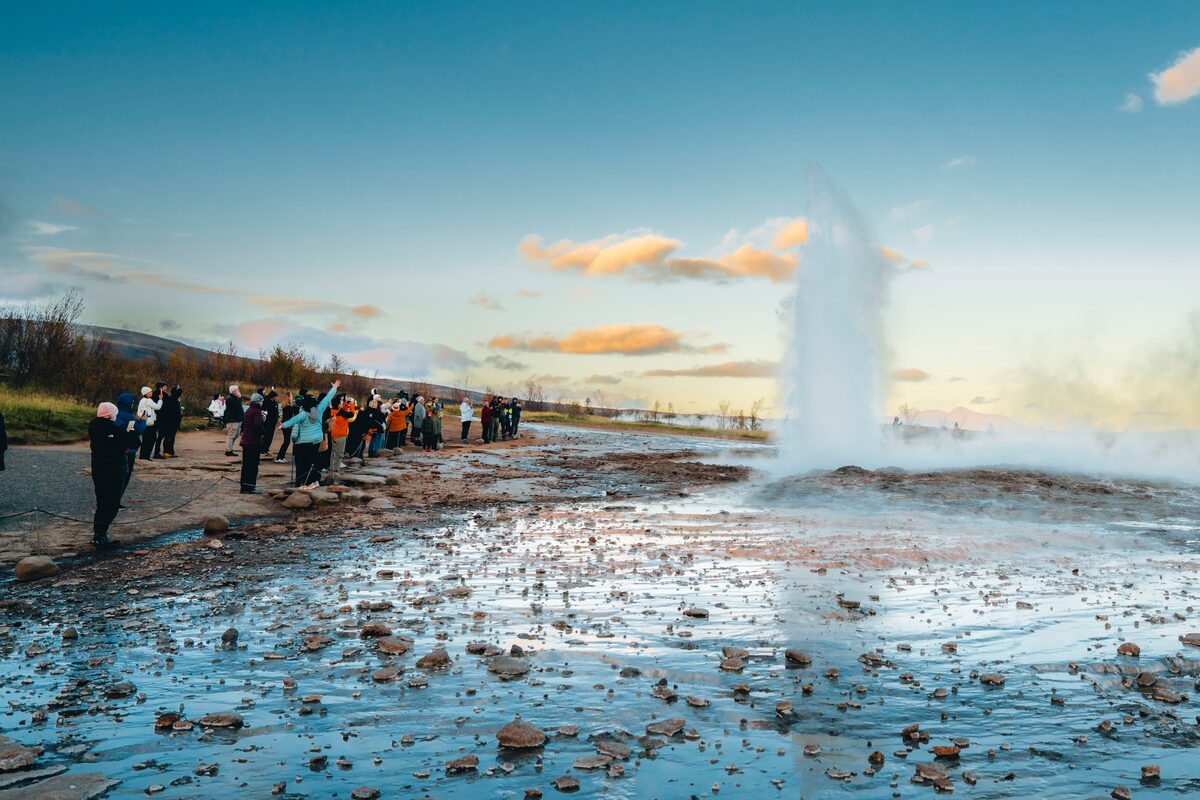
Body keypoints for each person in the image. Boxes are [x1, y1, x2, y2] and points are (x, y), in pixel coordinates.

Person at [89, 402, 140, 549]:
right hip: (115, 469)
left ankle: (99, 534)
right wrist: (131, 431)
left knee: (102, 502)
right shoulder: (113, 429)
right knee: (112, 503)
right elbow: (135, 442)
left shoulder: (94, 426)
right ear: (110, 414)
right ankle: (100, 536)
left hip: (98, 469)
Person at [282, 381, 340, 488]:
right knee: (312, 462)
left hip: (302, 441)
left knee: (302, 464)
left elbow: (294, 424)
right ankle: (313, 482)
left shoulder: (303, 413)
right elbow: (327, 399)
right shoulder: (319, 410)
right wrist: (334, 388)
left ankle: (303, 482)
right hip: (316, 440)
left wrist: (284, 426)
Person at [114, 392, 147, 498]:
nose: (133, 404)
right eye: (132, 402)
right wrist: (143, 421)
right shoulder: (128, 416)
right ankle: (116, 501)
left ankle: (111, 500)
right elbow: (139, 430)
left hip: (114, 449)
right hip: (128, 450)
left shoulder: (114, 413)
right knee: (124, 476)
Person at [239, 392, 266, 493]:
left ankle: (244, 487)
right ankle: (250, 487)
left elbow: (244, 425)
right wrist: (263, 432)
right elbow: (257, 425)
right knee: (253, 466)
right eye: (261, 401)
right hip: (253, 442)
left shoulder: (248, 410)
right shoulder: (257, 411)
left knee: (245, 466)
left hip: (246, 441)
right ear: (259, 402)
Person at [328, 394, 355, 482]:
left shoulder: (332, 411)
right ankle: (336, 470)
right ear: (339, 403)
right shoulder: (342, 413)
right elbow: (351, 414)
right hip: (341, 435)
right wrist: (351, 405)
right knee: (339, 453)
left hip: (332, 434)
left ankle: (332, 468)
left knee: (333, 452)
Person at [137, 385, 162, 460]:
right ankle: (146, 456)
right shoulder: (148, 400)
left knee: (145, 440)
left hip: (144, 422)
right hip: (150, 424)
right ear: (146, 393)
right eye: (150, 391)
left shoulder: (142, 400)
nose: (152, 393)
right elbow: (158, 407)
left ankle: (142, 455)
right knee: (151, 439)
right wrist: (160, 399)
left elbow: (143, 412)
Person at [157, 385, 183, 458]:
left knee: (171, 438)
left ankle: (170, 452)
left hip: (171, 423)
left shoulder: (171, 399)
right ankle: (167, 452)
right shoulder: (172, 400)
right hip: (170, 423)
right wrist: (178, 388)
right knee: (169, 437)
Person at [276, 391, 298, 463]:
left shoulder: (287, 406)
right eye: (291, 396)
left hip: (286, 425)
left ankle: (281, 457)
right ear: (288, 397)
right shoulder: (288, 407)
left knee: (286, 441)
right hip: (286, 426)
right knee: (286, 442)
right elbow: (289, 416)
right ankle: (279, 457)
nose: (292, 397)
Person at [223, 384, 244, 456]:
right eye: (237, 390)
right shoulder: (229, 398)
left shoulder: (234, 398)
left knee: (236, 435)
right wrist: (239, 398)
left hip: (237, 419)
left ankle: (230, 449)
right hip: (232, 420)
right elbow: (235, 406)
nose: (239, 391)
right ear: (234, 391)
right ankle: (229, 450)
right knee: (231, 436)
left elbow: (239, 406)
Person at [260, 389, 281, 455]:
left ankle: (266, 448)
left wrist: (277, 416)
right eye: (275, 396)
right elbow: (263, 410)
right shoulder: (266, 401)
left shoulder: (274, 402)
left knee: (270, 436)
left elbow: (276, 410)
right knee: (266, 435)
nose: (276, 398)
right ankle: (262, 449)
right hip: (267, 421)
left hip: (273, 422)